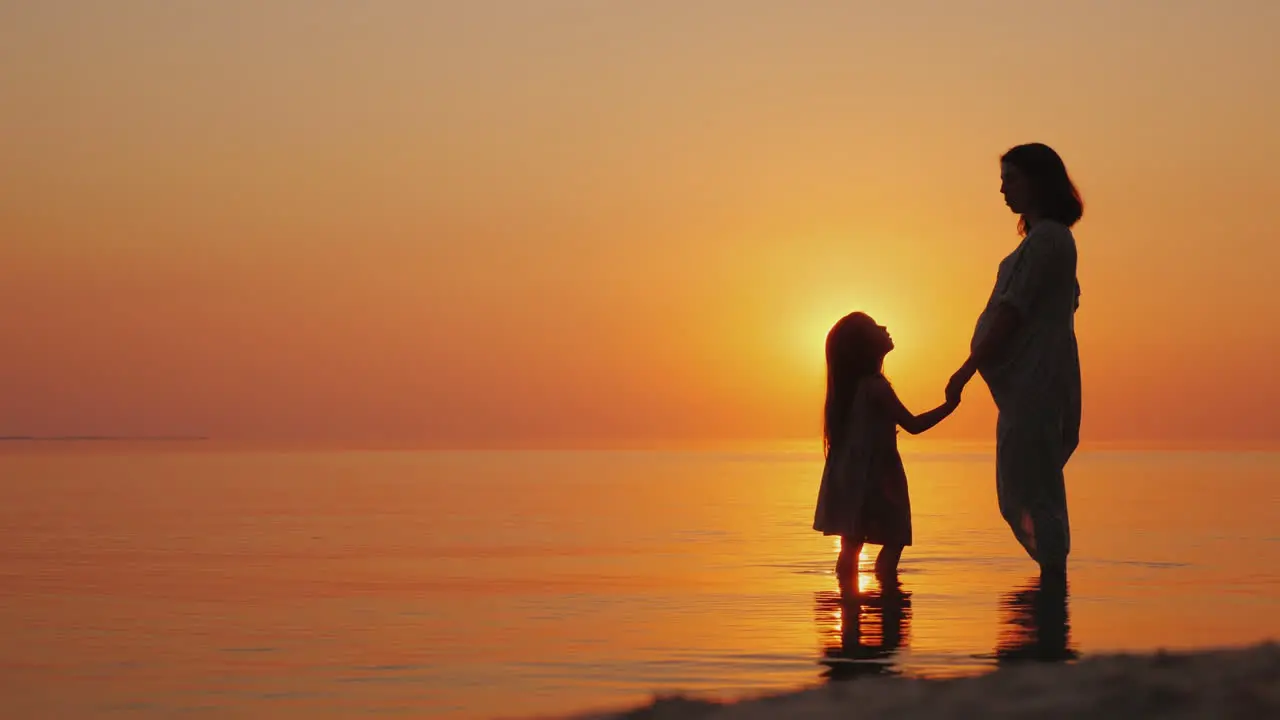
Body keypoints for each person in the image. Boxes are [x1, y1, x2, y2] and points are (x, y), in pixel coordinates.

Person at [946, 142, 1084, 576]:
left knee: (1030, 490)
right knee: (1026, 487)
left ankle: (1052, 588)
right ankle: (1050, 589)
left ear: (1038, 182)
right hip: (1032, 384)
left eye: (1011, 179)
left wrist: (966, 371)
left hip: (1037, 382)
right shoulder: (1046, 240)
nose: (1003, 189)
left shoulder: (1048, 241)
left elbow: (1012, 311)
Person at [814, 312, 960, 587]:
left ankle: (850, 613)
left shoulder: (850, 391)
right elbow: (913, 425)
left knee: (851, 544)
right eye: (874, 327)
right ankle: (888, 603)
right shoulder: (875, 387)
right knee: (894, 540)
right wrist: (950, 405)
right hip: (880, 476)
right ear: (864, 346)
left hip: (854, 476)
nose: (884, 327)